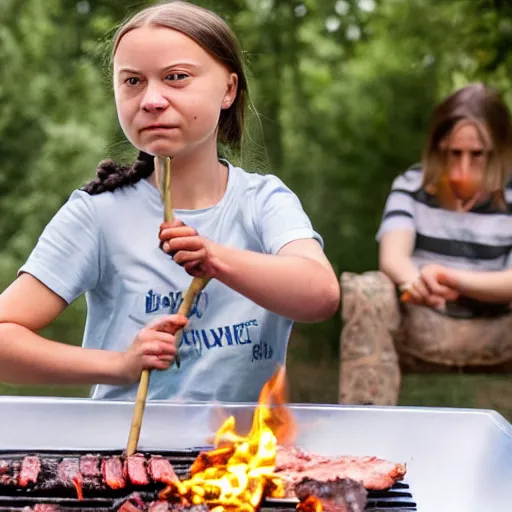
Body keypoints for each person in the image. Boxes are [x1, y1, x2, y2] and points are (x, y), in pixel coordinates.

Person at [0, 1, 340, 403]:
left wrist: (215, 259)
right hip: (125, 459)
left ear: (228, 89)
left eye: (176, 77)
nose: (152, 100)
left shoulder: (263, 202)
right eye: (132, 82)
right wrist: (119, 365)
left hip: (243, 460)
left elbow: (320, 296)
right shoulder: (97, 214)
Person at [339, 82, 512, 406]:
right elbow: (392, 256)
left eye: (478, 155)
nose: (462, 170)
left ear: (499, 150)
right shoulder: (411, 185)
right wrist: (415, 281)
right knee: (367, 288)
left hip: (500, 327)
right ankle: (365, 433)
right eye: (453, 154)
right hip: (424, 321)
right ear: (438, 148)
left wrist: (454, 279)